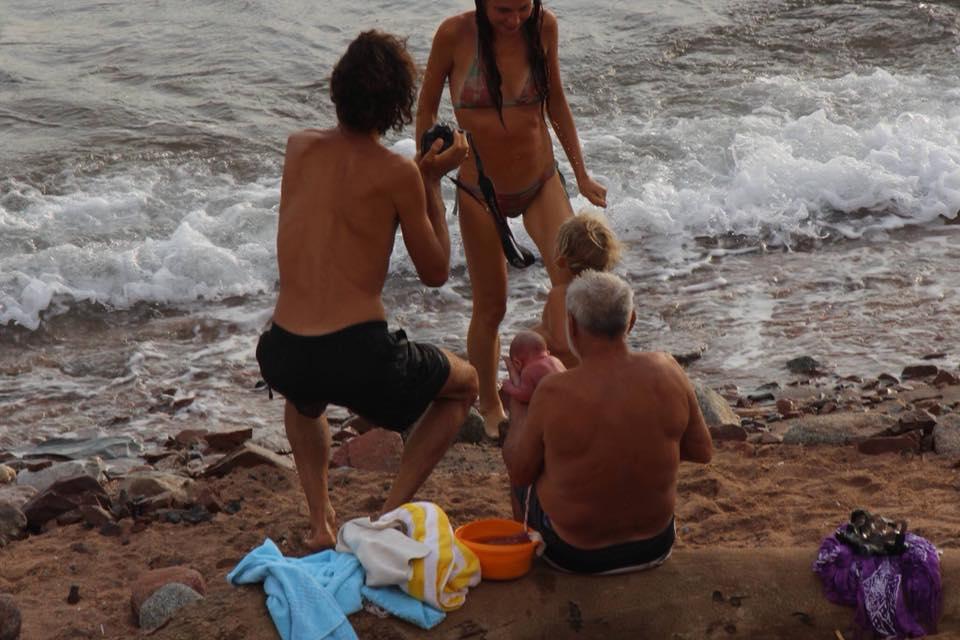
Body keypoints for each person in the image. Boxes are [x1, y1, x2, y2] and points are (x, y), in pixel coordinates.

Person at [256, 31, 479, 551]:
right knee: (464, 386)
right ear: (397, 105)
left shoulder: (298, 148)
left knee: (304, 399)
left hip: (284, 349)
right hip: (359, 353)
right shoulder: (398, 172)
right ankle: (384, 516)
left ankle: (320, 522)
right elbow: (436, 271)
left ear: (338, 89)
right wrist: (430, 183)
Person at [418, 0, 608, 440]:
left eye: (523, 8)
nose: (513, 20)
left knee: (576, 287)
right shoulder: (452, 35)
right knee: (491, 306)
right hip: (478, 189)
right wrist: (429, 164)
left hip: (540, 180)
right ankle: (490, 405)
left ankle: (586, 388)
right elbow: (426, 107)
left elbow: (555, 100)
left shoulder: (543, 28)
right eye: (503, 10)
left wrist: (580, 173)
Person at [502, 271, 713, 574]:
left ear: (572, 327)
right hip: (654, 545)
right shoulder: (668, 369)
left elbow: (519, 471)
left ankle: (529, 563)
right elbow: (702, 450)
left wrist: (520, 403)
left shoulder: (553, 392)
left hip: (574, 555)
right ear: (632, 320)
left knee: (522, 468)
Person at [533, 210, 621, 367]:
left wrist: (538, 335)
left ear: (560, 258)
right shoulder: (607, 293)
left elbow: (563, 345)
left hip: (571, 374)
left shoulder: (561, 294)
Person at [498, 330, 565, 441]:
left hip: (555, 416)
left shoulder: (528, 370)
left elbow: (525, 395)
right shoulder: (556, 360)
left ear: (517, 363)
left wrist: (508, 386)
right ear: (547, 352)